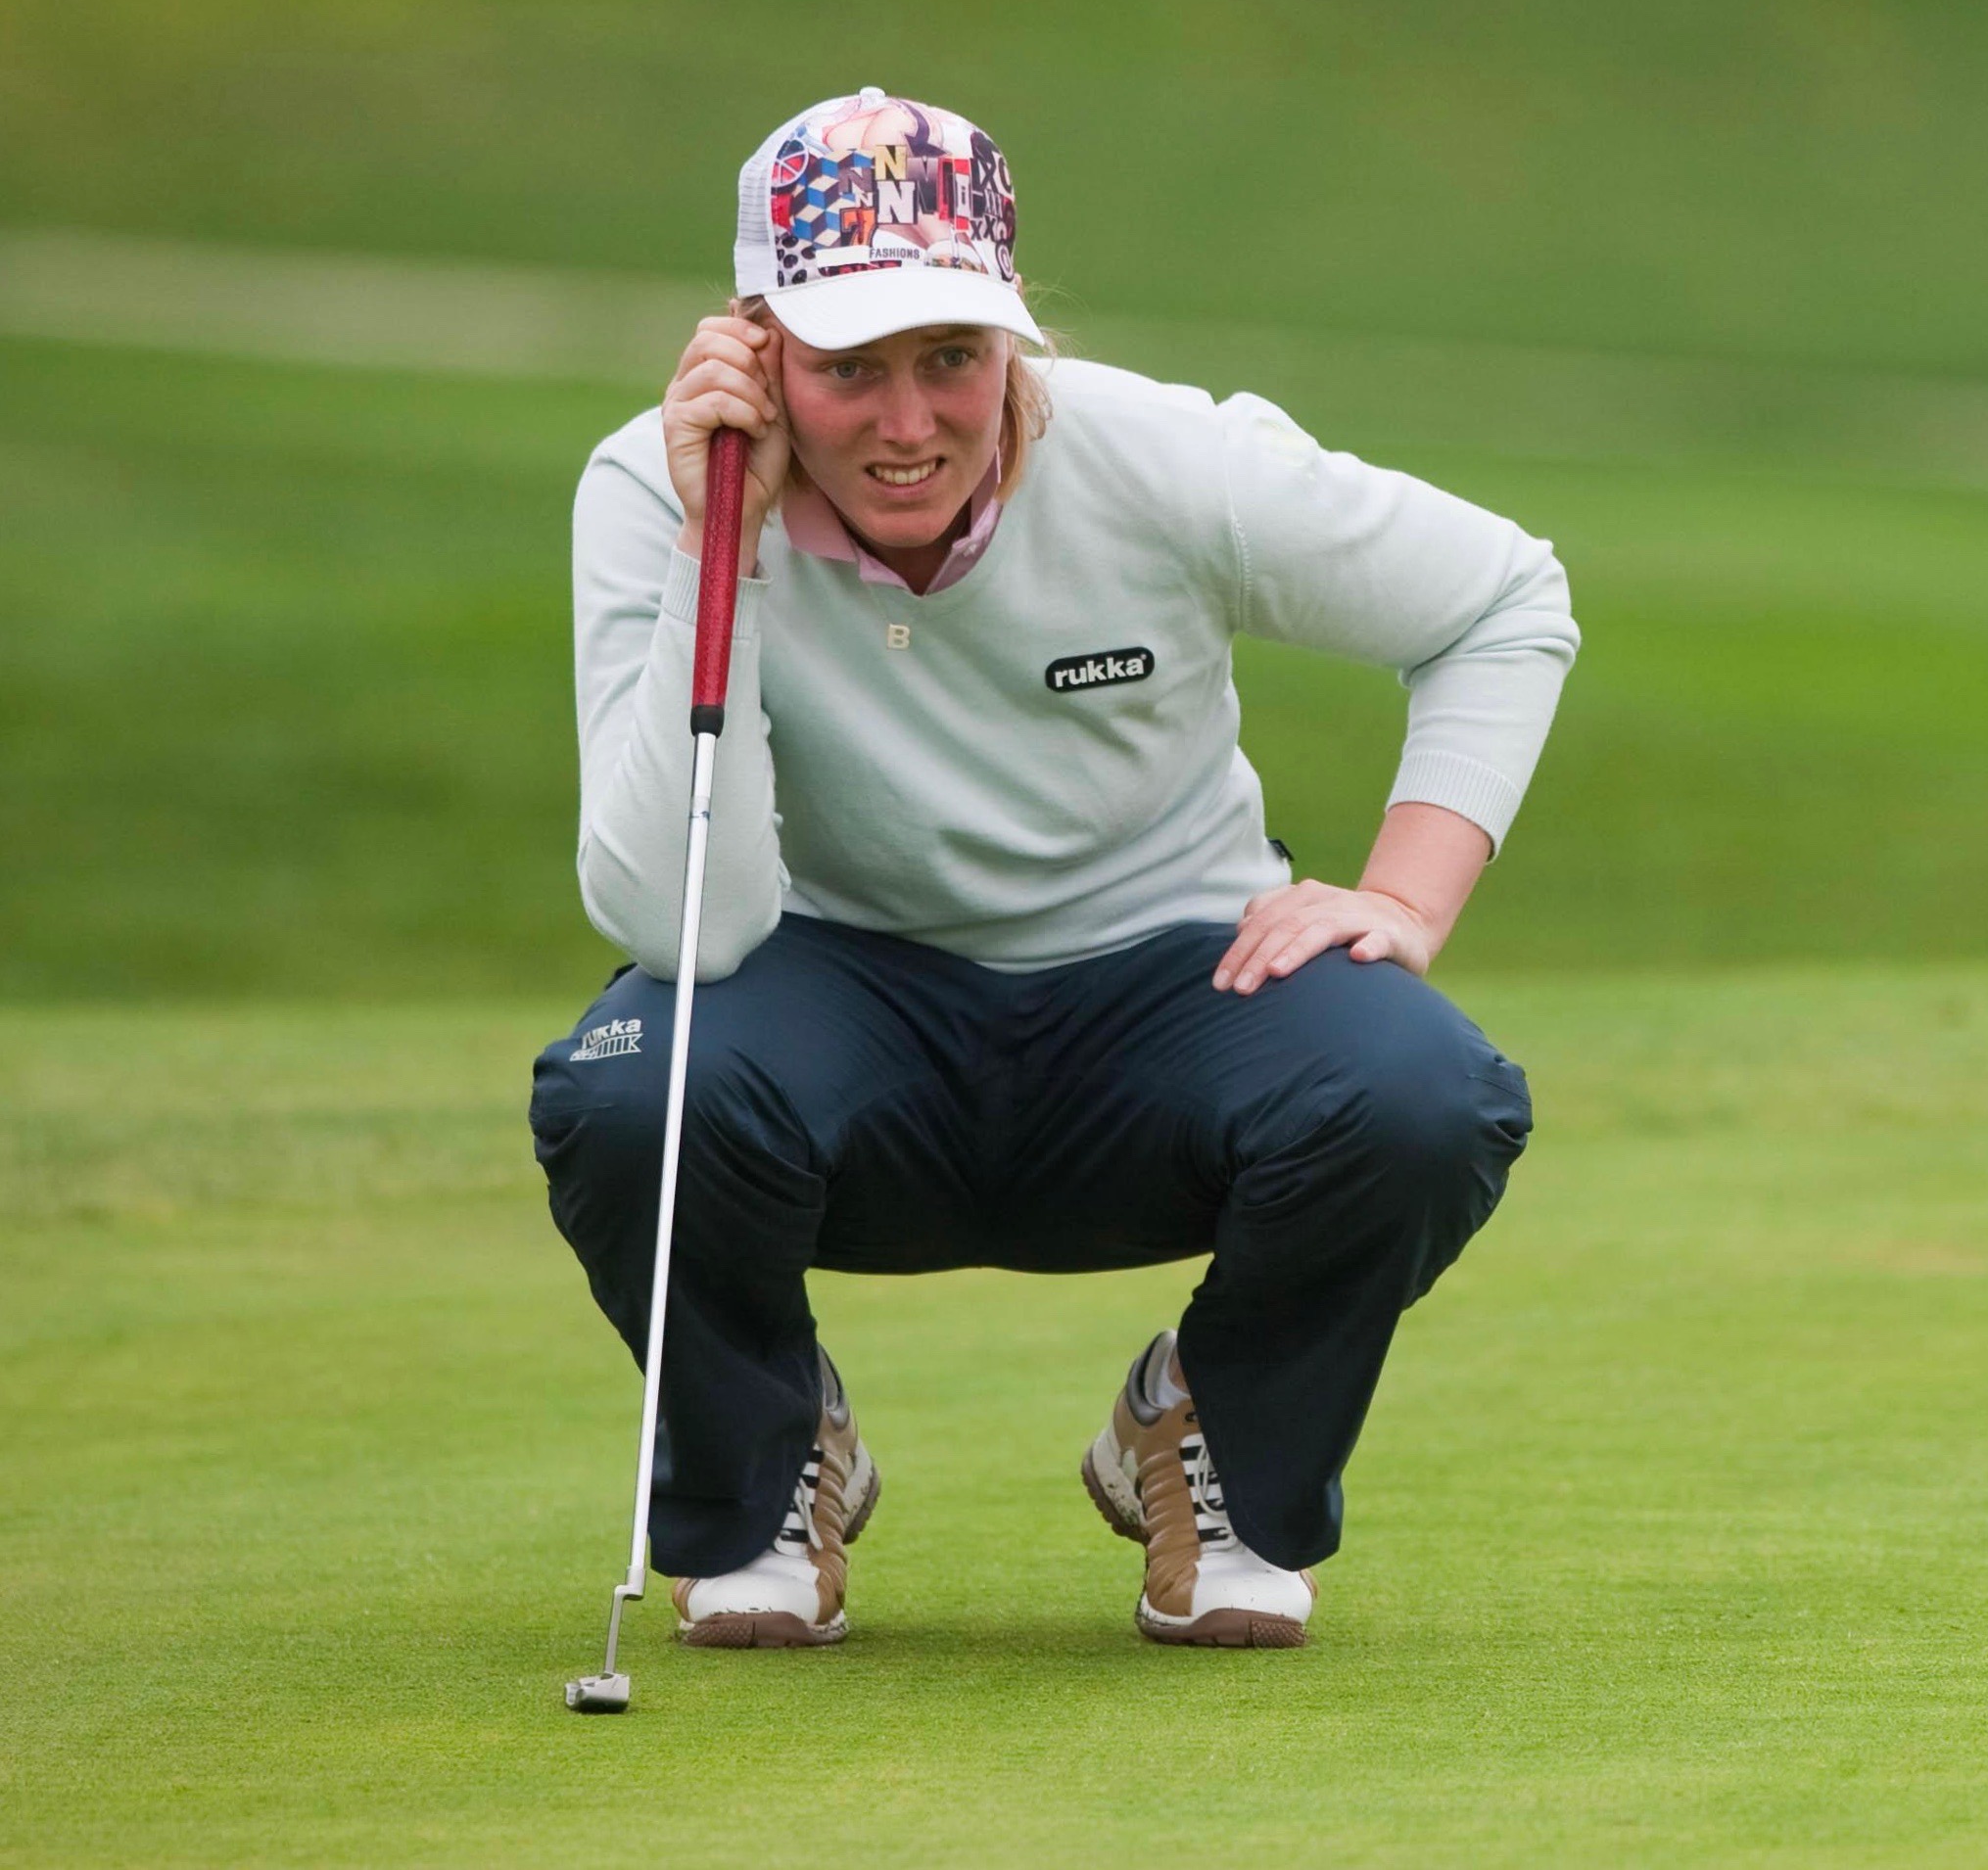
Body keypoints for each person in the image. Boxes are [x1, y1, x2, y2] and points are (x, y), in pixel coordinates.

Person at [528, 88, 1572, 1652]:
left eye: (951, 357)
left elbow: (1499, 596)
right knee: (627, 1088)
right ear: (753, 350)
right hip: (832, 993)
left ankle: (1203, 1431)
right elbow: (688, 916)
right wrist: (714, 550)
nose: (907, 422)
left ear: (1012, 336)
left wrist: (1403, 897)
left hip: (1172, 987)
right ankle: (762, 1481)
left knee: (1424, 1089)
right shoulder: (652, 497)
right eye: (845, 368)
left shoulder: (1162, 456)